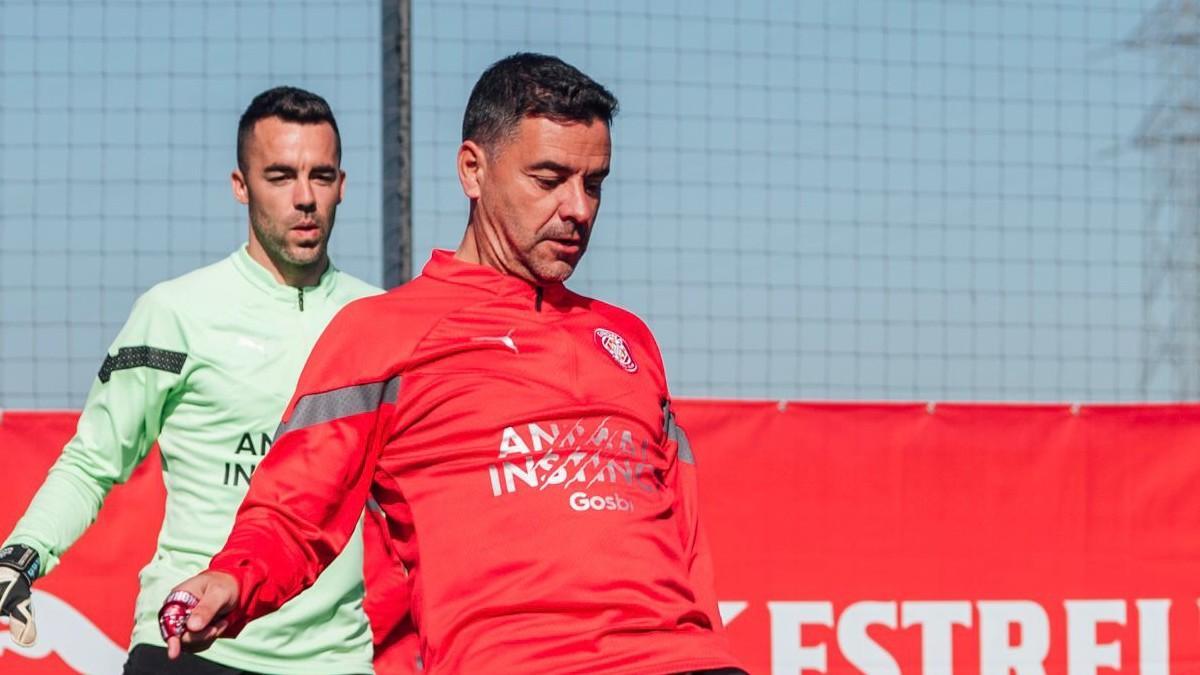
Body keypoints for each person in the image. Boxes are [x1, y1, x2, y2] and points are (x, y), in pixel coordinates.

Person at [166, 53, 746, 674]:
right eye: (549, 179)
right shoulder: (378, 334)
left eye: (594, 183)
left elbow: (685, 538)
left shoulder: (628, 340)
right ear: (473, 169)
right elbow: (293, 512)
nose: (578, 208)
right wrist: (233, 578)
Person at [0, 86, 383, 675]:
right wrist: (20, 558)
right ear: (241, 185)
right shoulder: (175, 312)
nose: (305, 197)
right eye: (280, 176)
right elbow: (93, 461)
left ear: (342, 185)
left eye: (321, 176)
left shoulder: (380, 321)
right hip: (186, 643)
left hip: (333, 659)